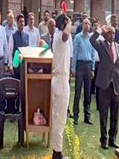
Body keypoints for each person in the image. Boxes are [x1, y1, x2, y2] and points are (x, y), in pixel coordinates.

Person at [90, 25, 119, 150]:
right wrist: (100, 30)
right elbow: (91, 40)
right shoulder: (101, 45)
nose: (112, 35)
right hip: (104, 84)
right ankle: (103, 139)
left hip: (116, 85)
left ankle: (112, 139)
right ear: (105, 34)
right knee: (103, 113)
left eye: (113, 33)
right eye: (110, 33)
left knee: (115, 114)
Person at [50, 13, 72, 159]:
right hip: (61, 80)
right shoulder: (61, 36)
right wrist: (70, 23)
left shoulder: (56, 36)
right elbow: (66, 35)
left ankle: (56, 150)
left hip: (58, 79)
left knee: (57, 118)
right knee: (60, 119)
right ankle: (57, 152)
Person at [71, 18, 95, 125]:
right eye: (85, 23)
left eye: (88, 24)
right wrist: (73, 68)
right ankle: (75, 115)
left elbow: (93, 53)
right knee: (77, 91)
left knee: (88, 92)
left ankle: (87, 116)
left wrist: (93, 68)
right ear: (82, 25)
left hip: (88, 65)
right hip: (80, 65)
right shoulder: (77, 37)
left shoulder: (91, 38)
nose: (87, 25)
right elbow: (75, 53)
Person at [10, 14, 29, 80]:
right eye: (20, 21)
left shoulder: (27, 36)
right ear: (17, 22)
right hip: (16, 64)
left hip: (24, 65)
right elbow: (10, 52)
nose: (22, 23)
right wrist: (11, 66)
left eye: (23, 21)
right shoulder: (13, 36)